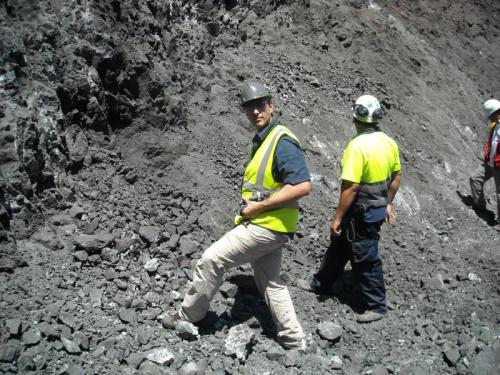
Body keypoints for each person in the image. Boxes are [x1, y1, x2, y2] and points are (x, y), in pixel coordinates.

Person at [164, 81, 312, 349]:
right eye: (249, 108)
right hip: (274, 226)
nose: (255, 112)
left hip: (266, 224)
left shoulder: (282, 141)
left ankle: (188, 316)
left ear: (271, 106)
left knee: (212, 260)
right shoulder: (264, 139)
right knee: (271, 283)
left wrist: (259, 206)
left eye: (259, 105)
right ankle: (295, 340)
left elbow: (302, 185)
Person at [304, 95, 401, 323]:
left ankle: (376, 306)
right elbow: (396, 177)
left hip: (361, 213)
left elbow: (351, 187)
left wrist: (337, 217)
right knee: (339, 248)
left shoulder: (356, 146)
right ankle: (322, 284)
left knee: (365, 257)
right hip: (374, 210)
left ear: (355, 118)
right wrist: (387, 203)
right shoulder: (389, 143)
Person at [469, 99, 500, 231]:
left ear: (496, 113)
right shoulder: (495, 124)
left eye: (490, 116)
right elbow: (493, 142)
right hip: (490, 162)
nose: (489, 119)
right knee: (475, 178)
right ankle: (481, 207)